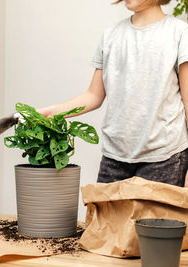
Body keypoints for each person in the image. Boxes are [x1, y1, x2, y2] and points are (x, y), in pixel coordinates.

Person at [38, 0, 188, 187]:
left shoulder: (180, 33)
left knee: (154, 218)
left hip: (165, 157)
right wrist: (49, 112)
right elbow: (94, 95)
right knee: (106, 217)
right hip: (114, 157)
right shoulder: (111, 35)